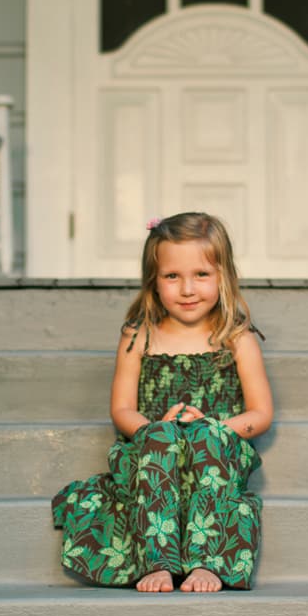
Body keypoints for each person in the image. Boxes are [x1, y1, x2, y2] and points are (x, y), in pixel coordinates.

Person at [51, 212, 273, 593]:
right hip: (154, 452)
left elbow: (260, 413)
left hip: (214, 453)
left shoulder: (237, 338)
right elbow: (121, 409)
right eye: (173, 276)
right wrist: (157, 429)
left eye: (201, 275)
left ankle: (208, 562)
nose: (187, 289)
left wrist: (212, 428)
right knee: (162, 442)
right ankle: (157, 561)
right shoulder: (138, 336)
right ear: (153, 282)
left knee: (204, 439)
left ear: (224, 277)